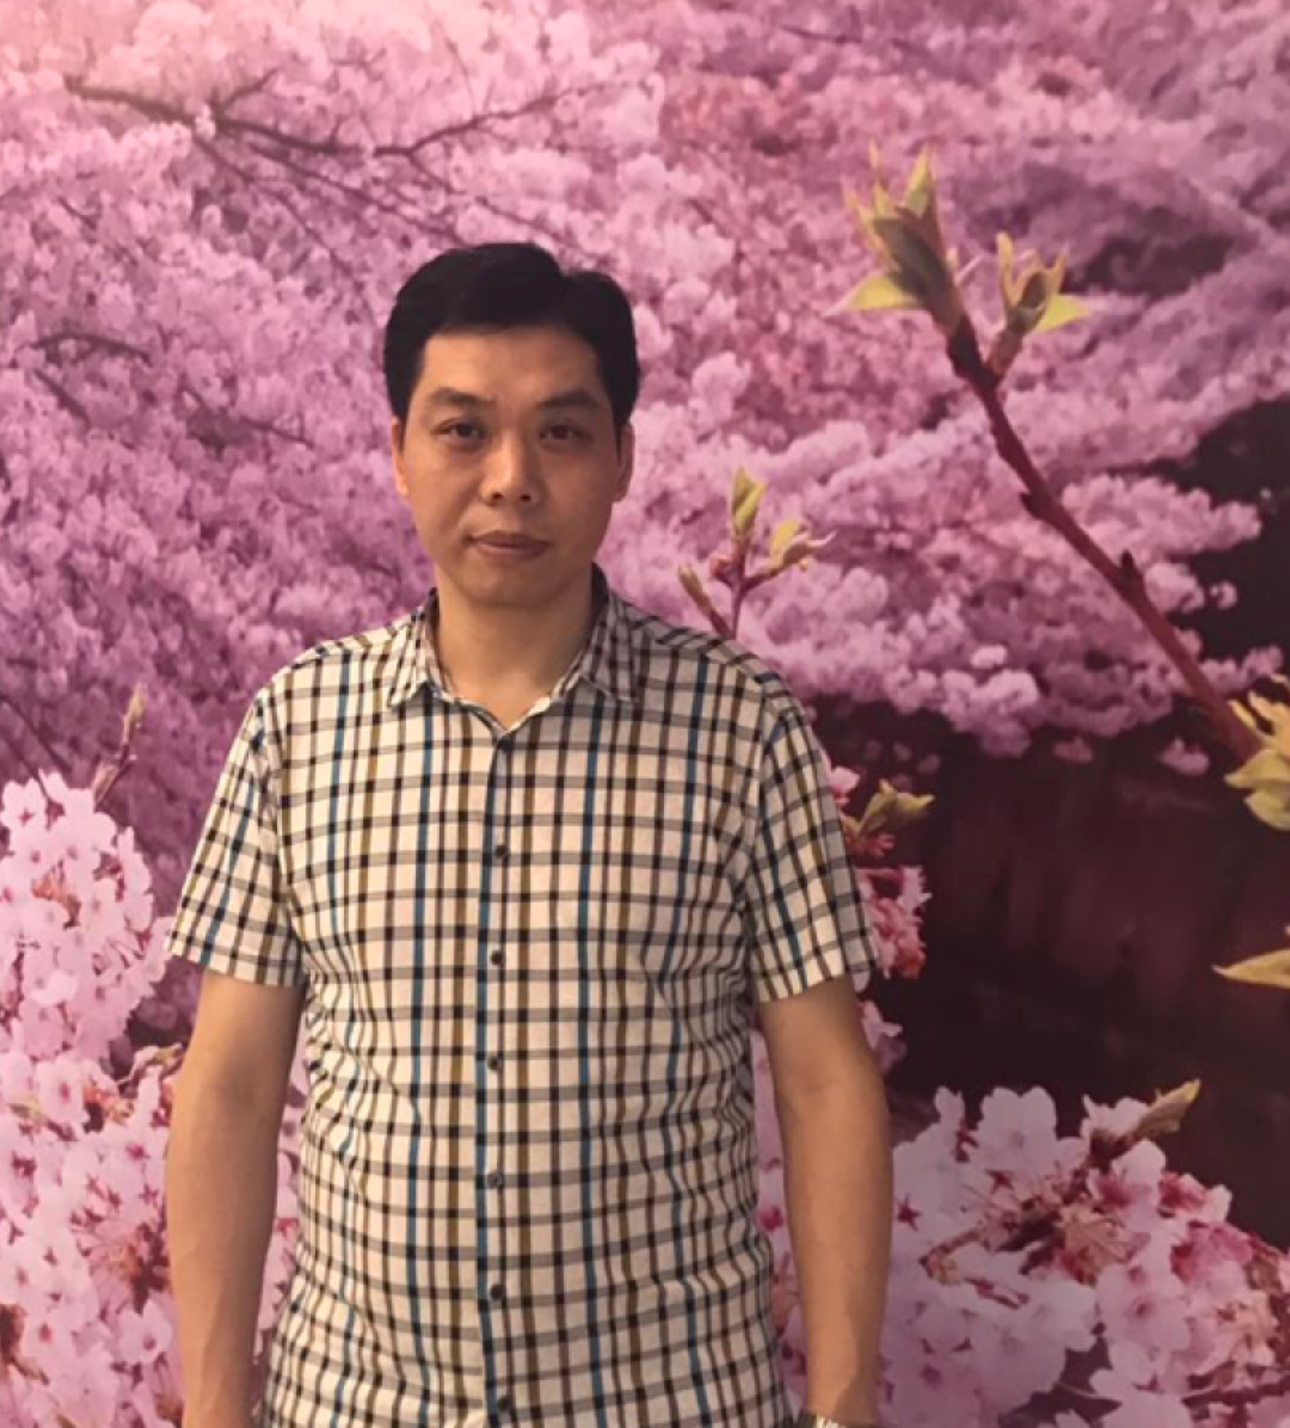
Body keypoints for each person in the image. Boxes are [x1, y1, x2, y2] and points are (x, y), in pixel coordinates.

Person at [164, 242, 893, 1428]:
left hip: (668, 1401)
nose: (510, 479)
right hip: (357, 1402)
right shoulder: (299, 725)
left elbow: (824, 1083)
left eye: (559, 432)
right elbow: (231, 1089)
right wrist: (210, 1409)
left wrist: (844, 1406)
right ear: (398, 452)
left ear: (621, 458)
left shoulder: (740, 727)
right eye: (462, 431)